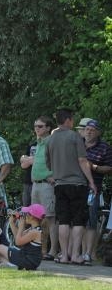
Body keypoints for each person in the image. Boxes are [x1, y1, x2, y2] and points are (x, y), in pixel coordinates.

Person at [46, 109, 96, 265]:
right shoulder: (75, 137)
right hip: (77, 184)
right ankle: (75, 255)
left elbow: (48, 164)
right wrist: (91, 182)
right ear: (68, 120)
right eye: (72, 119)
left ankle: (64, 255)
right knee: (78, 220)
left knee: (63, 221)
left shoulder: (50, 140)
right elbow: (82, 160)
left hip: (60, 185)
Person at [27, 116, 58, 260]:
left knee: (50, 218)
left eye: (40, 126)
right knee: (36, 218)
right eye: (35, 126)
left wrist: (54, 176)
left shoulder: (52, 142)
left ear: (48, 128)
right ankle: (39, 249)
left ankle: (53, 251)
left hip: (47, 184)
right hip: (36, 184)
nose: (37, 129)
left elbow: (60, 160)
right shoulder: (38, 142)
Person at [82, 120, 112, 265]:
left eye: (92, 130)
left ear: (98, 132)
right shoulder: (78, 144)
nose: (88, 132)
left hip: (93, 190)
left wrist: (93, 167)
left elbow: (110, 168)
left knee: (90, 221)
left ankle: (88, 253)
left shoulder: (105, 147)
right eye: (87, 129)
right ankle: (77, 253)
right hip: (75, 187)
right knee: (76, 221)